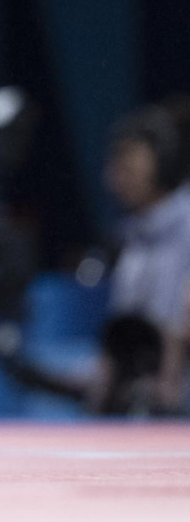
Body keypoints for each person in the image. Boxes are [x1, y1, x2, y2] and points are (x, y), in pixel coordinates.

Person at [100, 98, 190, 413]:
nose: (117, 177)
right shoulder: (132, 235)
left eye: (130, 165)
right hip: (140, 390)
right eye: (116, 166)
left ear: (163, 161)